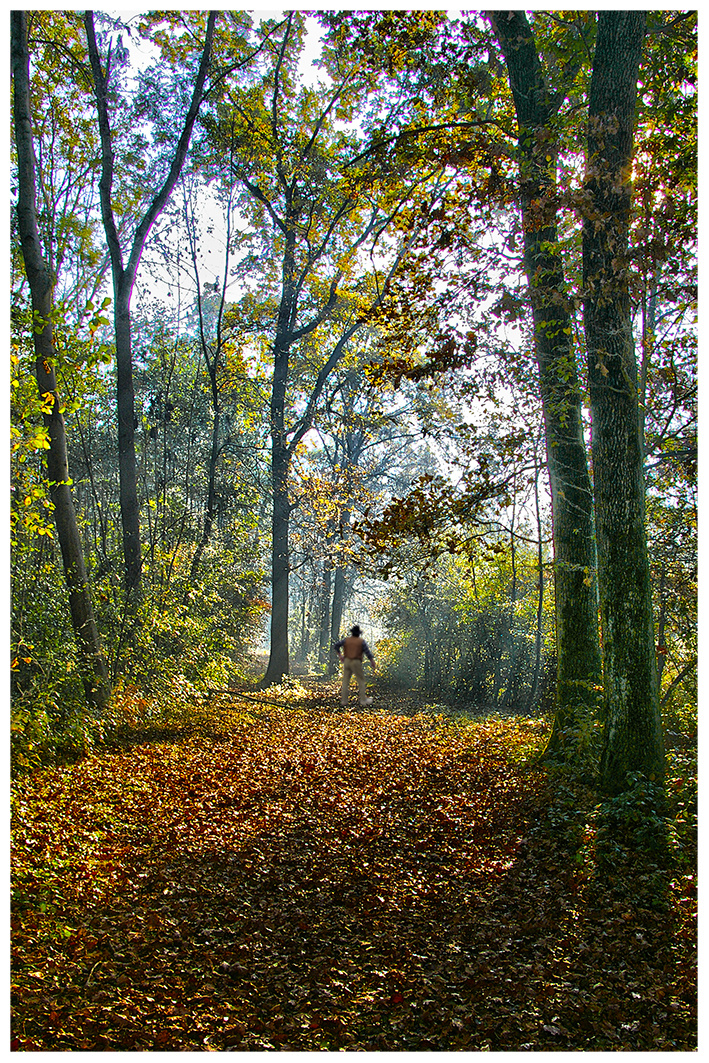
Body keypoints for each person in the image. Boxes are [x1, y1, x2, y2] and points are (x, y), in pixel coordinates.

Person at [334, 624, 376, 708]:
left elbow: (336, 646)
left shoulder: (346, 640)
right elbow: (367, 652)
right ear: (358, 634)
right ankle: (363, 700)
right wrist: (372, 661)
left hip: (347, 661)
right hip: (356, 661)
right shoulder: (361, 641)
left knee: (345, 681)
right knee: (361, 680)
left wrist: (340, 656)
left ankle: (344, 701)